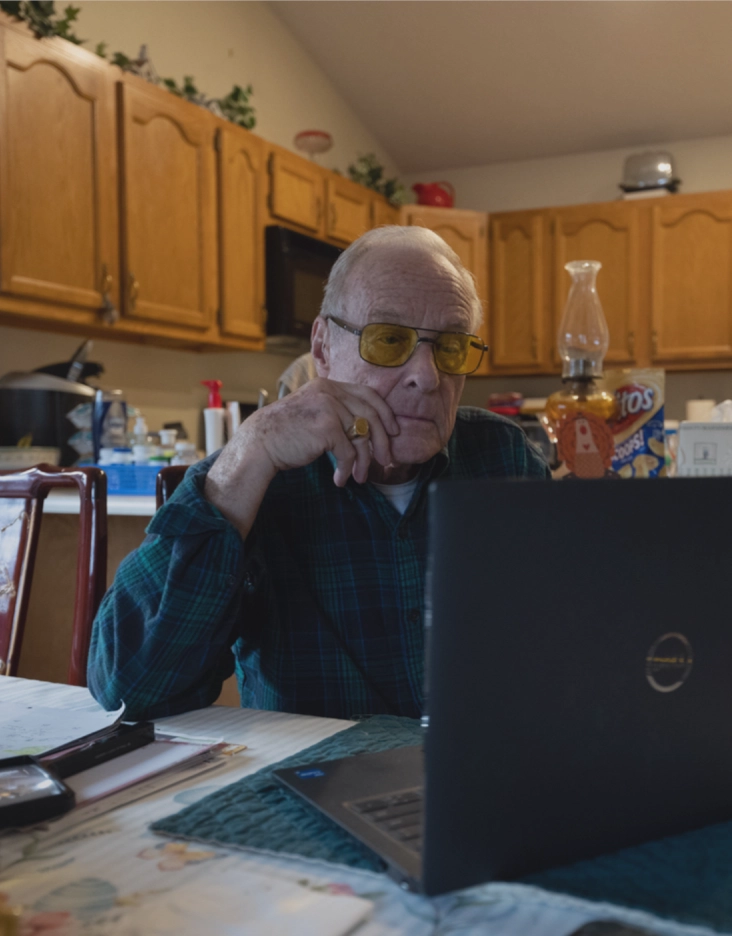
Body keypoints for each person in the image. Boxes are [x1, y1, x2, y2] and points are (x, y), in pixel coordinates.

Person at [88, 226, 550, 721]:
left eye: (452, 346)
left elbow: (574, 640)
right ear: (324, 348)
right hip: (312, 784)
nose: (427, 375)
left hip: (479, 775)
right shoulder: (256, 476)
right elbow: (127, 688)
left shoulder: (505, 459)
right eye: (389, 339)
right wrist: (247, 455)